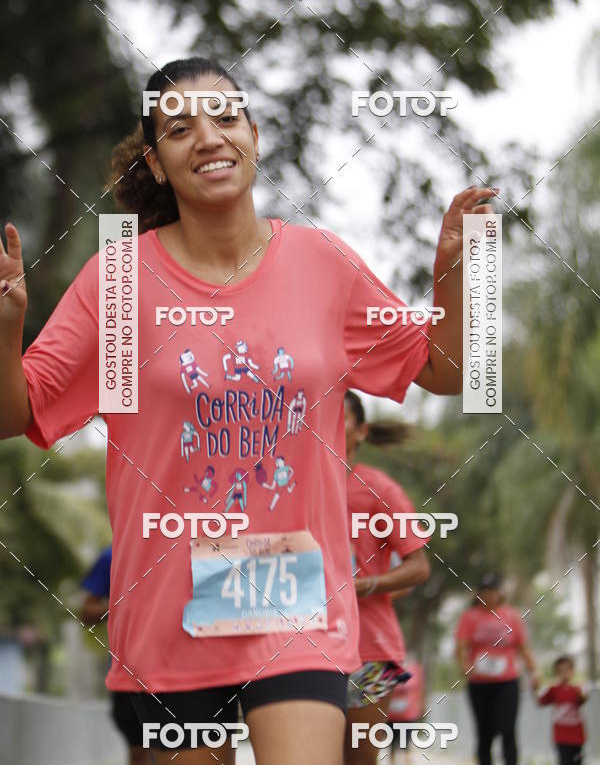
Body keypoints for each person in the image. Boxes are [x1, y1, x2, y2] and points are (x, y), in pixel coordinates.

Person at [0, 55, 497, 764]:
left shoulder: (322, 263)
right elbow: (17, 411)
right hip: (169, 606)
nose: (208, 136)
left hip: (298, 603)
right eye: (179, 129)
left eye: (226, 117)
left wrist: (455, 275)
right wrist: (7, 329)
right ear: (157, 164)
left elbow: (446, 370)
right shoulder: (120, 281)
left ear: (254, 136)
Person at [343, 390, 430, 765]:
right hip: (305, 650)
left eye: (340, 418)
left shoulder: (378, 489)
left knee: (359, 760)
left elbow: (418, 567)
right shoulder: (291, 486)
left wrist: (362, 586)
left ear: (361, 431)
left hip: (371, 653)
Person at [455, 574, 539, 765]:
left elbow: (523, 648)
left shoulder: (512, 616)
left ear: (499, 593)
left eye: (492, 591)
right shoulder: (469, 617)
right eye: (484, 591)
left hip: (507, 682)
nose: (489, 595)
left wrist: (534, 671)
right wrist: (465, 667)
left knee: (507, 727)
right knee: (485, 732)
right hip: (480, 683)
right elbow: (460, 648)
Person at [80, 547, 150, 765]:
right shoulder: (114, 554)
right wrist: (123, 608)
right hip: (131, 674)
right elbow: (87, 611)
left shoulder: (189, 545)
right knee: (140, 751)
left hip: (185, 670)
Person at [538, 655, 587, 765]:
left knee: (577, 760)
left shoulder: (577, 689)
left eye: (567, 670)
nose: (564, 674)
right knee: (564, 760)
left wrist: (581, 692)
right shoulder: (553, 690)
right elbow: (540, 702)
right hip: (561, 736)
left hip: (577, 736)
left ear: (572, 671)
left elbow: (583, 699)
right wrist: (534, 687)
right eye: (560, 671)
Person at [386, 660, 425, 763]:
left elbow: (419, 687)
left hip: (408, 716)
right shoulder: (389, 667)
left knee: (406, 747)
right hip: (391, 716)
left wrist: (420, 705)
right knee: (392, 747)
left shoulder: (415, 668)